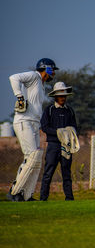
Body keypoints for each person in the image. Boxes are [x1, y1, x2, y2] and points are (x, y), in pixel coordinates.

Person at [7, 58, 59, 201]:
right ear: (47, 68)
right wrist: (19, 96)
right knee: (31, 156)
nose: (53, 72)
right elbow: (14, 78)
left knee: (36, 160)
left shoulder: (41, 85)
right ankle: (15, 191)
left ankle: (27, 195)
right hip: (24, 121)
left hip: (34, 124)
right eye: (52, 69)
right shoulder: (34, 76)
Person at [40, 82, 79, 201]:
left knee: (66, 172)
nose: (63, 98)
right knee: (48, 173)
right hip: (53, 146)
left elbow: (74, 127)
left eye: (64, 95)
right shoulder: (49, 110)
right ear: (55, 96)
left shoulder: (69, 111)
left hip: (66, 146)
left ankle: (69, 198)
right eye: (61, 95)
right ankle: (43, 198)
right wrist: (58, 132)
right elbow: (44, 127)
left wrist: (69, 131)